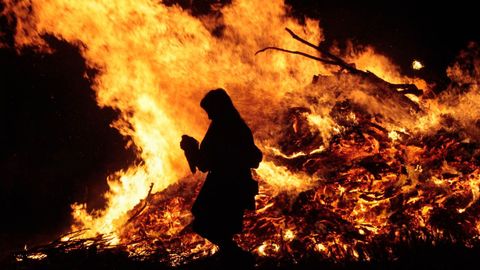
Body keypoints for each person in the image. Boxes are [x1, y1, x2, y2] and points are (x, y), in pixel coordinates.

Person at [180, 88, 262, 265]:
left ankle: (238, 258)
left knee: (205, 223)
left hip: (225, 186)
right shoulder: (238, 126)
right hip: (234, 184)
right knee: (218, 226)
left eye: (210, 111)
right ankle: (233, 257)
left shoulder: (223, 128)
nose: (209, 116)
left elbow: (205, 163)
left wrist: (191, 148)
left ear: (218, 108)